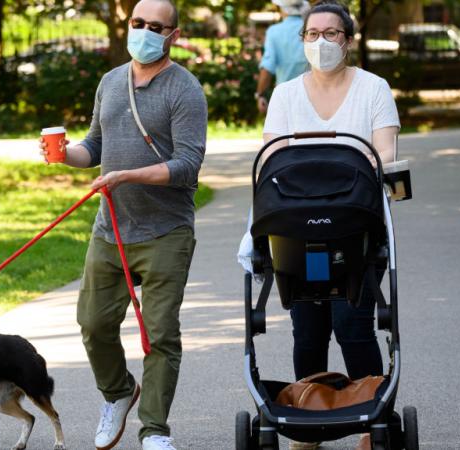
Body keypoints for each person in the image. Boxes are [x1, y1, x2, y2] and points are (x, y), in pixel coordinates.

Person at [38, 1, 207, 449]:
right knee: (93, 323)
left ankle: (154, 430)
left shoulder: (185, 89)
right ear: (127, 24)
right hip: (111, 229)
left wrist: (127, 175)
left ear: (173, 34)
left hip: (165, 231)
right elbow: (95, 146)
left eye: (157, 26)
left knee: (160, 335)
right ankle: (117, 393)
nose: (146, 32)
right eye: (138, 24)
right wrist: (64, 154)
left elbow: (188, 165)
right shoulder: (111, 82)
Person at [239, 2, 400, 449]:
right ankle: (307, 421)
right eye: (313, 34)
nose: (321, 42)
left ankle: (371, 420)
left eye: (332, 34)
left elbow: (385, 153)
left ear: (348, 41)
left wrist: (346, 171)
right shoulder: (286, 95)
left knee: (354, 326)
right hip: (296, 227)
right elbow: (271, 155)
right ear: (302, 39)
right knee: (307, 330)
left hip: (355, 225)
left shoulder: (373, 88)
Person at [254, 0, 311, 114]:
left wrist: (260, 94)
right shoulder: (311, 28)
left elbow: (268, 67)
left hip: (285, 96)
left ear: (284, 9)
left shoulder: (274, 32)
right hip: (314, 94)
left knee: (286, 132)